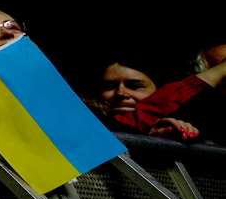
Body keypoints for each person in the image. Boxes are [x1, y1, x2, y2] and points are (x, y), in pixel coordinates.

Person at [90, 58, 226, 142]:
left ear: (159, 89)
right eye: (109, 86)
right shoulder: (85, 121)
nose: (120, 93)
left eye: (134, 86)